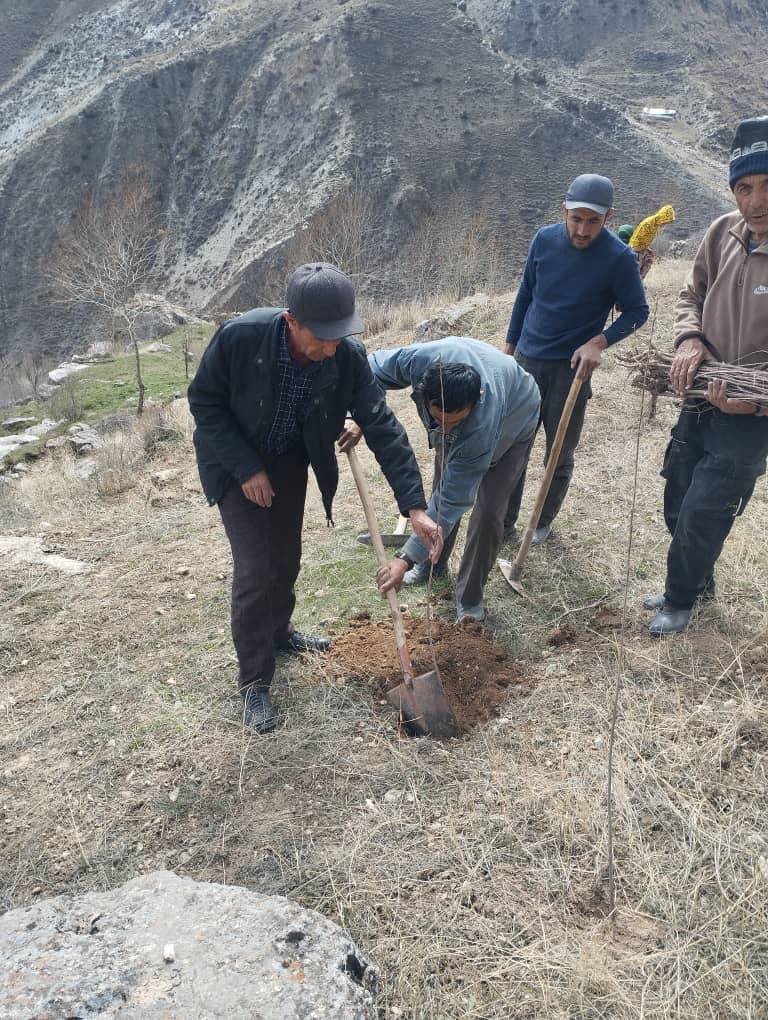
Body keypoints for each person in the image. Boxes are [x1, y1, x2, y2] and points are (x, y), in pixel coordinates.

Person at [187, 262, 442, 731]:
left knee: (286, 559)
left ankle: (280, 634)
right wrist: (247, 469)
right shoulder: (241, 338)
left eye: (339, 335)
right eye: (320, 336)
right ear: (291, 322)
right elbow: (204, 401)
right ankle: (254, 683)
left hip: (289, 457)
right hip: (236, 458)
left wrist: (415, 507)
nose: (330, 347)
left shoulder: (345, 356)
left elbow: (383, 426)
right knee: (254, 568)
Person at [645, 116, 768, 636]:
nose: (755, 201)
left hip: (749, 414)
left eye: (766, 187)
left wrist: (757, 402)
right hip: (699, 396)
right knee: (677, 490)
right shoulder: (722, 233)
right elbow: (690, 296)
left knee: (705, 509)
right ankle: (696, 581)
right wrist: (689, 339)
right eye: (744, 188)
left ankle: (679, 601)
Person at [339, 337, 540, 622]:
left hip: (516, 417)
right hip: (472, 408)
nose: (446, 429)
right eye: (439, 419)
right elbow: (363, 372)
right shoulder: (418, 361)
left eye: (455, 422)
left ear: (474, 403)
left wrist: (403, 559)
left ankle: (469, 602)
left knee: (487, 513)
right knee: (436, 494)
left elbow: (452, 499)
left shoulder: (481, 427)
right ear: (424, 393)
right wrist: (355, 414)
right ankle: (432, 566)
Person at [503, 173, 650, 544]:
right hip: (526, 361)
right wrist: (509, 351)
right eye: (576, 219)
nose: (583, 230)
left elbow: (637, 310)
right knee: (512, 447)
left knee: (558, 453)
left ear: (609, 217)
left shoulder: (618, 258)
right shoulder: (543, 240)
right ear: (564, 210)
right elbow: (525, 296)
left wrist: (598, 342)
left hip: (572, 370)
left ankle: (540, 522)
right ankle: (504, 523)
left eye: (594, 221)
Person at [628, 204, 676, 279]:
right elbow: (637, 240)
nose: (665, 224)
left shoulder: (655, 224)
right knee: (635, 271)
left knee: (649, 259)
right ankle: (635, 283)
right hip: (635, 249)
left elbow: (645, 240)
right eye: (666, 222)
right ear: (663, 217)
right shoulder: (648, 223)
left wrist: (647, 249)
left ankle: (639, 281)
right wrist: (639, 254)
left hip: (642, 249)